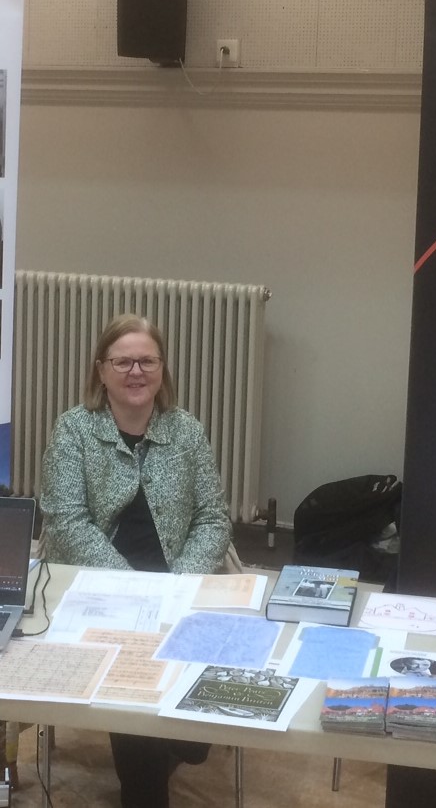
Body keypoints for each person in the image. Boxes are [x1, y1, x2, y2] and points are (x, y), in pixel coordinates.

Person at [40, 313, 234, 808]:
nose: (135, 371)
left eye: (147, 360)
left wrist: (178, 586)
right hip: (97, 592)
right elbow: (66, 522)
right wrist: (135, 593)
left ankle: (158, 756)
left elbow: (213, 517)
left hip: (179, 587)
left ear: (162, 369)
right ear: (100, 370)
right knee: (140, 709)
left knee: (192, 739)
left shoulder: (185, 431)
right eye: (122, 361)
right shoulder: (74, 430)